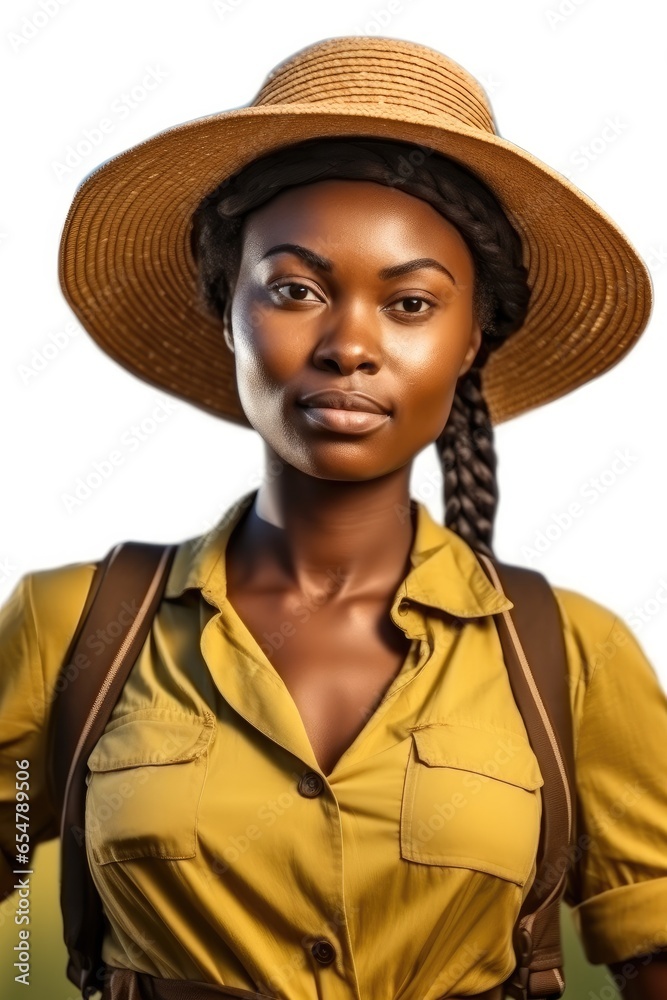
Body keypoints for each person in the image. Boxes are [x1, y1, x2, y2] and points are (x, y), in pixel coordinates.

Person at [2, 34, 667, 1000]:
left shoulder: (571, 656)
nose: (349, 344)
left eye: (409, 302)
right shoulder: (76, 630)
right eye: (295, 289)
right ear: (224, 308)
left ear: (470, 337)